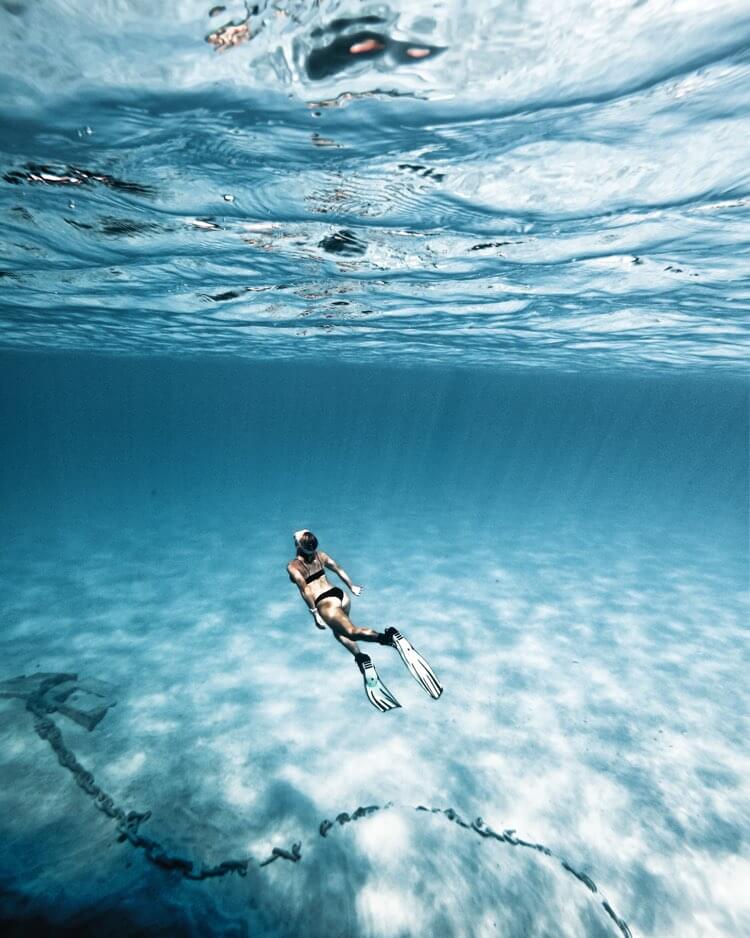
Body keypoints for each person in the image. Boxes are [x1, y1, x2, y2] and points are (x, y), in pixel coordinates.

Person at [287, 530, 443, 711]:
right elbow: (337, 568)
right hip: (340, 596)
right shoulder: (320, 555)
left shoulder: (293, 566)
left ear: (298, 545)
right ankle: (362, 659)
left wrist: (314, 613)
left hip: (325, 603)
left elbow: (305, 590)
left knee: (351, 632)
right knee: (339, 632)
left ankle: (389, 638)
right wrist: (351, 586)